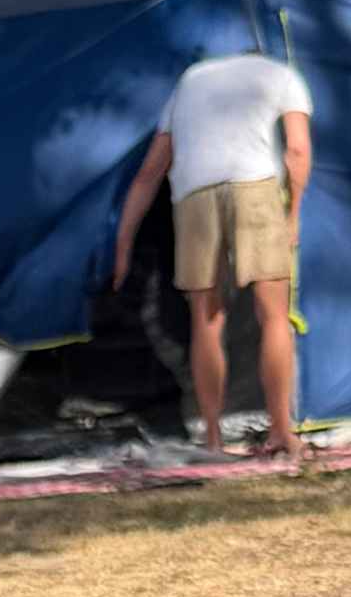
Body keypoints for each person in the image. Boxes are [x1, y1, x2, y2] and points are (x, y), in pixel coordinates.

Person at [110, 45, 314, 460]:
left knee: (206, 319)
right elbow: (296, 150)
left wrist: (123, 244)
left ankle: (214, 438)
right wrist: (293, 214)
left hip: (192, 194)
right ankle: (281, 432)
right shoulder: (280, 74)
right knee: (273, 315)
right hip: (255, 184)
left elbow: (150, 171)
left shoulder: (191, 79)